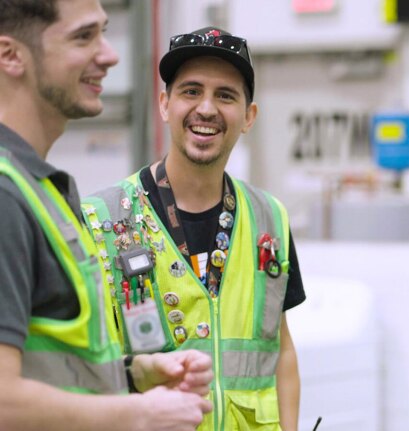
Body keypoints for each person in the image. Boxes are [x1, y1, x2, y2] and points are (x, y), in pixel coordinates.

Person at [0, 0, 215, 430]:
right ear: (10, 56)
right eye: (84, 36)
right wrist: (137, 414)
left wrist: (132, 376)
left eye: (104, 32)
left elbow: (50, 368)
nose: (111, 54)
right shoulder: (6, 197)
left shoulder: (41, 188)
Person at [82, 26, 306, 431]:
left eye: (225, 95)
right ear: (165, 104)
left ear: (248, 116)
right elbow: (80, 365)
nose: (207, 108)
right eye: (191, 91)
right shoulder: (101, 218)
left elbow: (282, 350)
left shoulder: (269, 218)